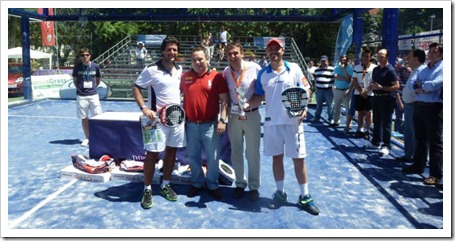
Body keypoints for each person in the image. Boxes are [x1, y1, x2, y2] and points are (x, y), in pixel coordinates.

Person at [246, 38, 320, 215]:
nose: (273, 51)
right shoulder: (263, 73)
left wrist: (304, 106)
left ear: (283, 50)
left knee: (299, 160)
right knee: (276, 159)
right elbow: (258, 96)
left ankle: (305, 196)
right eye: (270, 49)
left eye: (276, 48)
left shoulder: (294, 68)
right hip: (272, 124)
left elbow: (306, 89)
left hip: (293, 123)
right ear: (267, 52)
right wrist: (245, 105)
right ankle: (280, 193)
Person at [132, 36, 185, 209]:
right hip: (155, 121)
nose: (172, 52)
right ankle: (147, 189)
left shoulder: (179, 69)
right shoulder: (151, 69)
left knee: (171, 152)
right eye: (169, 49)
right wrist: (144, 108)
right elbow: (136, 88)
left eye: (175, 50)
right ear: (162, 51)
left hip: (176, 120)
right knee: (152, 155)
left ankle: (165, 184)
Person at [180, 47, 229, 200]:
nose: (197, 62)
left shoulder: (217, 77)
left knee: (212, 157)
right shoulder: (185, 77)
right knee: (193, 157)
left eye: (200, 59)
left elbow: (225, 101)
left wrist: (222, 120)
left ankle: (212, 184)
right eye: (194, 59)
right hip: (191, 125)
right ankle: (197, 183)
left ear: (207, 59)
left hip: (211, 125)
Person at [222, 43, 262, 201]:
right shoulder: (226, 72)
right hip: (233, 117)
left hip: (251, 115)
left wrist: (251, 103)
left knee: (252, 152)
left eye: (235, 53)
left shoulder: (255, 68)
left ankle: (254, 186)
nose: (232, 57)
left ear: (242, 53)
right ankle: (240, 183)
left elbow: (262, 92)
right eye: (229, 54)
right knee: (236, 151)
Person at [402, 43, 443, 187]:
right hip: (420, 107)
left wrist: (423, 86)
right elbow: (414, 82)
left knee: (435, 142)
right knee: (420, 138)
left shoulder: (444, 68)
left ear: (442, 54)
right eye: (430, 51)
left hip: (434, 108)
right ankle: (417, 165)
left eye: (435, 52)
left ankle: (435, 175)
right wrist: (423, 87)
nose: (431, 54)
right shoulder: (424, 68)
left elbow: (435, 84)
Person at [396, 49, 426, 163]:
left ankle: (416, 159)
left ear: (416, 58)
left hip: (415, 106)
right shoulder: (415, 70)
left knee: (415, 133)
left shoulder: (422, 71)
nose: (406, 60)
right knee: (408, 132)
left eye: (409, 57)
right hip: (409, 105)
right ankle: (408, 155)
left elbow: (420, 88)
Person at [368, 49, 400, 156]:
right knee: (376, 122)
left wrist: (382, 87)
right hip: (376, 98)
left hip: (386, 99)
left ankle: (386, 145)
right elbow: (373, 82)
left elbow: (397, 86)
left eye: (382, 56)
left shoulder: (390, 70)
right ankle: (375, 142)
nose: (380, 58)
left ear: (387, 57)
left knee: (386, 123)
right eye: (379, 56)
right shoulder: (376, 69)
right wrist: (372, 86)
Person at [72, 47, 102, 147]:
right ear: (80, 57)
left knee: (97, 116)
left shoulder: (95, 66)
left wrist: (92, 88)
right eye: (83, 55)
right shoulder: (77, 67)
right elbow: (75, 81)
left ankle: (97, 137)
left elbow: (98, 80)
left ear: (90, 56)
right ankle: (87, 137)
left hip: (93, 95)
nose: (85, 57)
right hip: (81, 96)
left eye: (87, 55)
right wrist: (81, 89)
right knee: (84, 117)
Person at [351, 48, 377, 139]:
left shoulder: (374, 68)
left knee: (368, 113)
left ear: (370, 57)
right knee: (360, 113)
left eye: (368, 56)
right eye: (364, 56)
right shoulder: (357, 67)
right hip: (358, 93)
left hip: (369, 94)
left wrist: (366, 91)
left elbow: (374, 81)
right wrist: (361, 91)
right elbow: (354, 81)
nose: (366, 58)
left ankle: (367, 130)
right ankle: (360, 129)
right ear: (361, 57)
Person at [331, 55, 353, 127]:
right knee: (336, 106)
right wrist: (345, 79)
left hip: (346, 90)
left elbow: (349, 78)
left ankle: (349, 123)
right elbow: (336, 76)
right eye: (342, 60)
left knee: (348, 108)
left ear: (347, 60)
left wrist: (344, 69)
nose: (343, 61)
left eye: (345, 60)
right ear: (340, 60)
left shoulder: (350, 68)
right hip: (337, 90)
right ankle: (336, 121)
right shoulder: (336, 68)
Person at [313, 55, 334, 123]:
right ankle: (317, 117)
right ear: (320, 61)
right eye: (322, 61)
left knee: (330, 106)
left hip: (329, 90)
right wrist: (316, 88)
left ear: (327, 61)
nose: (323, 62)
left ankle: (331, 118)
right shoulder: (316, 70)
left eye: (325, 61)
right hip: (319, 90)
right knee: (319, 105)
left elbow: (334, 80)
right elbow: (315, 79)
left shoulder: (332, 69)